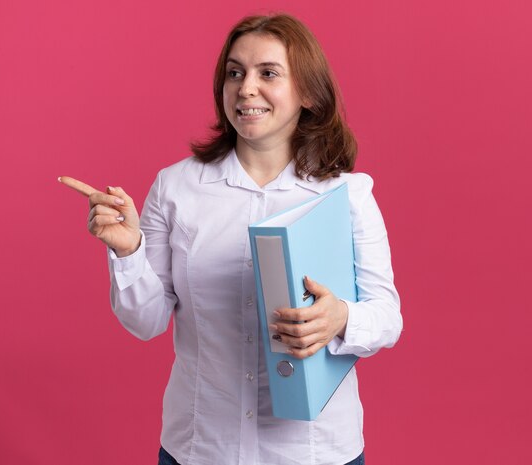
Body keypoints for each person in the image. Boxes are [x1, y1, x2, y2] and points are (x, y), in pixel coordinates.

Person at [61, 13, 401, 465]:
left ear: (307, 92)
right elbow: (145, 322)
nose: (246, 89)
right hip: (201, 446)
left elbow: (387, 317)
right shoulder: (175, 188)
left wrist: (339, 317)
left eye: (268, 73)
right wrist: (128, 251)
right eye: (235, 73)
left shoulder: (346, 194)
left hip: (312, 451)